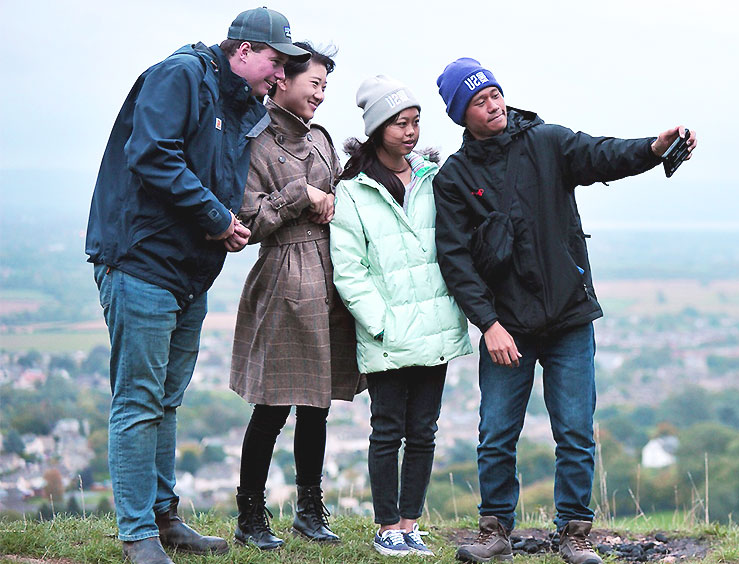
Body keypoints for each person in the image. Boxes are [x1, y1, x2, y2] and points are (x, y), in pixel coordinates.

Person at [432, 58, 697, 564]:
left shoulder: (547, 143)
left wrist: (654, 147)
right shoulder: (455, 179)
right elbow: (455, 260)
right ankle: (494, 532)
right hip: (506, 328)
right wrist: (488, 324)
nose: (494, 106)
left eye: (495, 94)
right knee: (496, 433)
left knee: (575, 430)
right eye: (479, 102)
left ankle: (574, 533)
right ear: (460, 114)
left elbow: (602, 155)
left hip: (569, 318)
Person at [84, 7, 310, 564]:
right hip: (141, 263)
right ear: (242, 50)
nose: (279, 76)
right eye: (275, 62)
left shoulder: (240, 107)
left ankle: (164, 519)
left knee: (166, 400)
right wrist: (215, 217)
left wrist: (229, 223)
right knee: (138, 401)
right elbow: (152, 154)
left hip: (187, 274)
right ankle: (137, 534)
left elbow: (218, 179)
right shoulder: (181, 75)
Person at [330, 75, 473, 557]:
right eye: (399, 124)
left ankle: (411, 523)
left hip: (434, 327)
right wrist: (382, 324)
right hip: (388, 334)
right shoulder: (353, 191)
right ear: (376, 130)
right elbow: (350, 271)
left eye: (415, 122)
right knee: (387, 430)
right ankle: (386, 525)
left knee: (425, 431)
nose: (410, 132)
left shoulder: (435, 178)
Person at [227, 41, 364, 550]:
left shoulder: (324, 139)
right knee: (273, 406)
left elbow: (343, 198)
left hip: (331, 277)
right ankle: (250, 517)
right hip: (284, 279)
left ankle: (309, 510)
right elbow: (249, 221)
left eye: (326, 86)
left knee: (318, 405)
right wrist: (300, 195)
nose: (321, 95)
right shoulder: (255, 143)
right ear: (282, 79)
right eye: (315, 84)